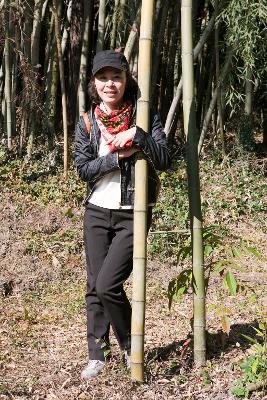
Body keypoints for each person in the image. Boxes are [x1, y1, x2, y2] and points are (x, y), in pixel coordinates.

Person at [75, 50, 171, 380]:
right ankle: (97, 354)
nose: (109, 84)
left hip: (133, 213)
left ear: (126, 79)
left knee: (107, 285)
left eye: (116, 76)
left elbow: (164, 159)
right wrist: (117, 158)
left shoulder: (144, 115)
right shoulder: (88, 122)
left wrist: (138, 136)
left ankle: (131, 346)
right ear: (94, 83)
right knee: (94, 286)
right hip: (97, 212)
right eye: (102, 78)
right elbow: (83, 169)